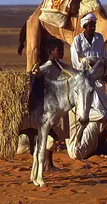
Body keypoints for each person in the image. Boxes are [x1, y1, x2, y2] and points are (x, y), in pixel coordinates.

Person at [67, 13, 107, 159]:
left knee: (102, 109)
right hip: (84, 83)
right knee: (88, 112)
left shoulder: (99, 38)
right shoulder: (77, 41)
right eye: (90, 26)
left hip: (99, 81)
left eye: (94, 26)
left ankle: (102, 144)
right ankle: (85, 143)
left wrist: (105, 71)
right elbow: (76, 63)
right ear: (84, 27)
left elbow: (104, 57)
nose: (93, 28)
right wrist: (88, 66)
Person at [18, 38, 70, 171]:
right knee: (50, 136)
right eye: (59, 50)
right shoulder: (45, 69)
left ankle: (47, 164)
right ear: (51, 51)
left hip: (57, 107)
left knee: (53, 136)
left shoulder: (60, 66)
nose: (62, 53)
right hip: (46, 108)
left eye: (62, 50)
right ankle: (47, 165)